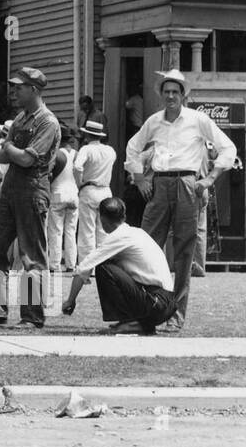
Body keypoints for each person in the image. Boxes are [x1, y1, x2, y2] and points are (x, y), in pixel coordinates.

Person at [125, 68, 236, 333]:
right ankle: (146, 312)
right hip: (159, 184)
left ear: (184, 95)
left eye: (176, 92)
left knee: (185, 253)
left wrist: (209, 179)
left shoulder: (198, 119)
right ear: (161, 94)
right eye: (167, 92)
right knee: (147, 247)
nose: (171, 96)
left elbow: (228, 147)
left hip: (188, 184)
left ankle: (176, 316)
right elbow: (132, 147)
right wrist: (140, 178)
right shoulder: (153, 121)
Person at [0, 66, 60, 330]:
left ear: (34, 89)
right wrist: (11, 150)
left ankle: (32, 316)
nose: (14, 91)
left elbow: (26, 158)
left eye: (19, 87)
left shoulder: (47, 122)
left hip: (33, 189)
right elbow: (1, 156)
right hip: (10, 188)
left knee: (32, 256)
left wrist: (9, 148)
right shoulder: (21, 119)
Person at [61, 197, 177, 335]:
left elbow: (84, 268)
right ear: (124, 216)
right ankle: (140, 324)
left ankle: (129, 322)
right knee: (112, 265)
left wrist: (70, 301)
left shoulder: (117, 237)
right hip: (166, 303)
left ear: (102, 219)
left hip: (156, 302)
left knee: (103, 268)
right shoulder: (137, 232)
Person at [73, 119, 116, 267]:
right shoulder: (110, 151)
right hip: (105, 189)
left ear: (87, 135)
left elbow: (77, 167)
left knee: (87, 230)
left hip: (89, 188)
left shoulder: (86, 149)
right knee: (104, 230)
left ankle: (87, 266)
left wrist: (80, 183)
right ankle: (103, 264)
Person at [46, 127, 80, 272]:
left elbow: (49, 175)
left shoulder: (57, 155)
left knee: (56, 230)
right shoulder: (77, 154)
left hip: (58, 193)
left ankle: (54, 264)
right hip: (73, 193)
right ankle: (71, 264)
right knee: (71, 231)